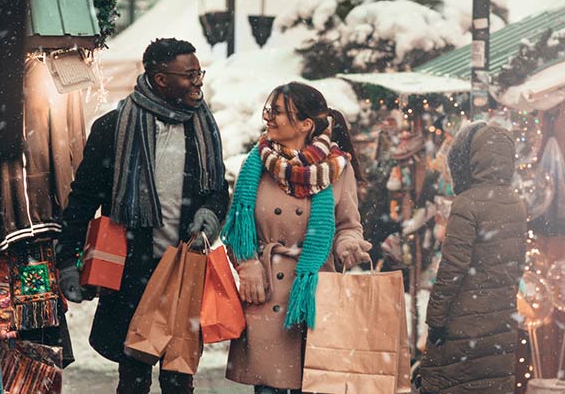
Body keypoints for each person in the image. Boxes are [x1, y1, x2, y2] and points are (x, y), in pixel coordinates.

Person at [55, 38, 229, 394]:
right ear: (161, 79)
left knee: (179, 375)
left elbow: (217, 189)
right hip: (132, 269)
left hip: (183, 268)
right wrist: (68, 261)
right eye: (190, 75)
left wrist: (210, 214)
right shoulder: (113, 128)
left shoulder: (203, 127)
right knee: (132, 375)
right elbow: (84, 199)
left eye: (200, 74)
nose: (199, 82)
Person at [221, 82, 372, 393]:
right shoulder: (255, 167)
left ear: (305, 124)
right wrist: (247, 265)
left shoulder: (337, 170)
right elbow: (238, 228)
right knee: (269, 389)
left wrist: (348, 244)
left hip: (316, 295)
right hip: (265, 294)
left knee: (317, 383)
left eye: (276, 112)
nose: (268, 119)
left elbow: (348, 225)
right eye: (268, 111)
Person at [419, 122, 527, 394]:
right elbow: (517, 266)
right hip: (501, 324)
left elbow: (452, 268)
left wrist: (435, 320)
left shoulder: (467, 203)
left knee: (450, 384)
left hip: (462, 325)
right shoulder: (516, 202)